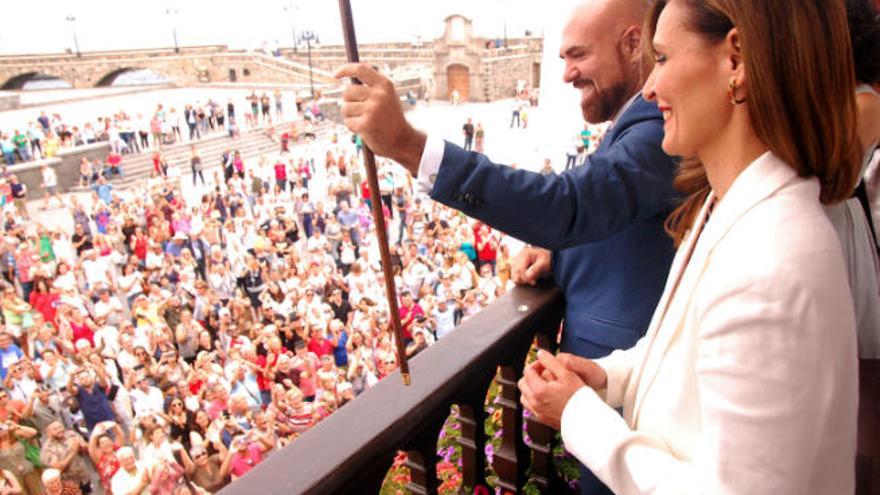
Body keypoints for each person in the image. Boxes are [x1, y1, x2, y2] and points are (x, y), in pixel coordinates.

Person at [518, 0, 862, 493]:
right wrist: (607, 375)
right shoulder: (732, 208)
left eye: (661, 59)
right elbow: (687, 354)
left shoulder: (765, 263)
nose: (650, 88)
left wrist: (578, 415)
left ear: (736, 61)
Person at [337, 1, 676, 491]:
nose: (565, 74)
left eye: (578, 55)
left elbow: (572, 204)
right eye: (560, 58)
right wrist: (560, 254)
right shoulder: (637, 120)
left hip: (629, 397)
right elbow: (620, 218)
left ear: (631, 44)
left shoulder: (655, 126)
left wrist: (409, 146)